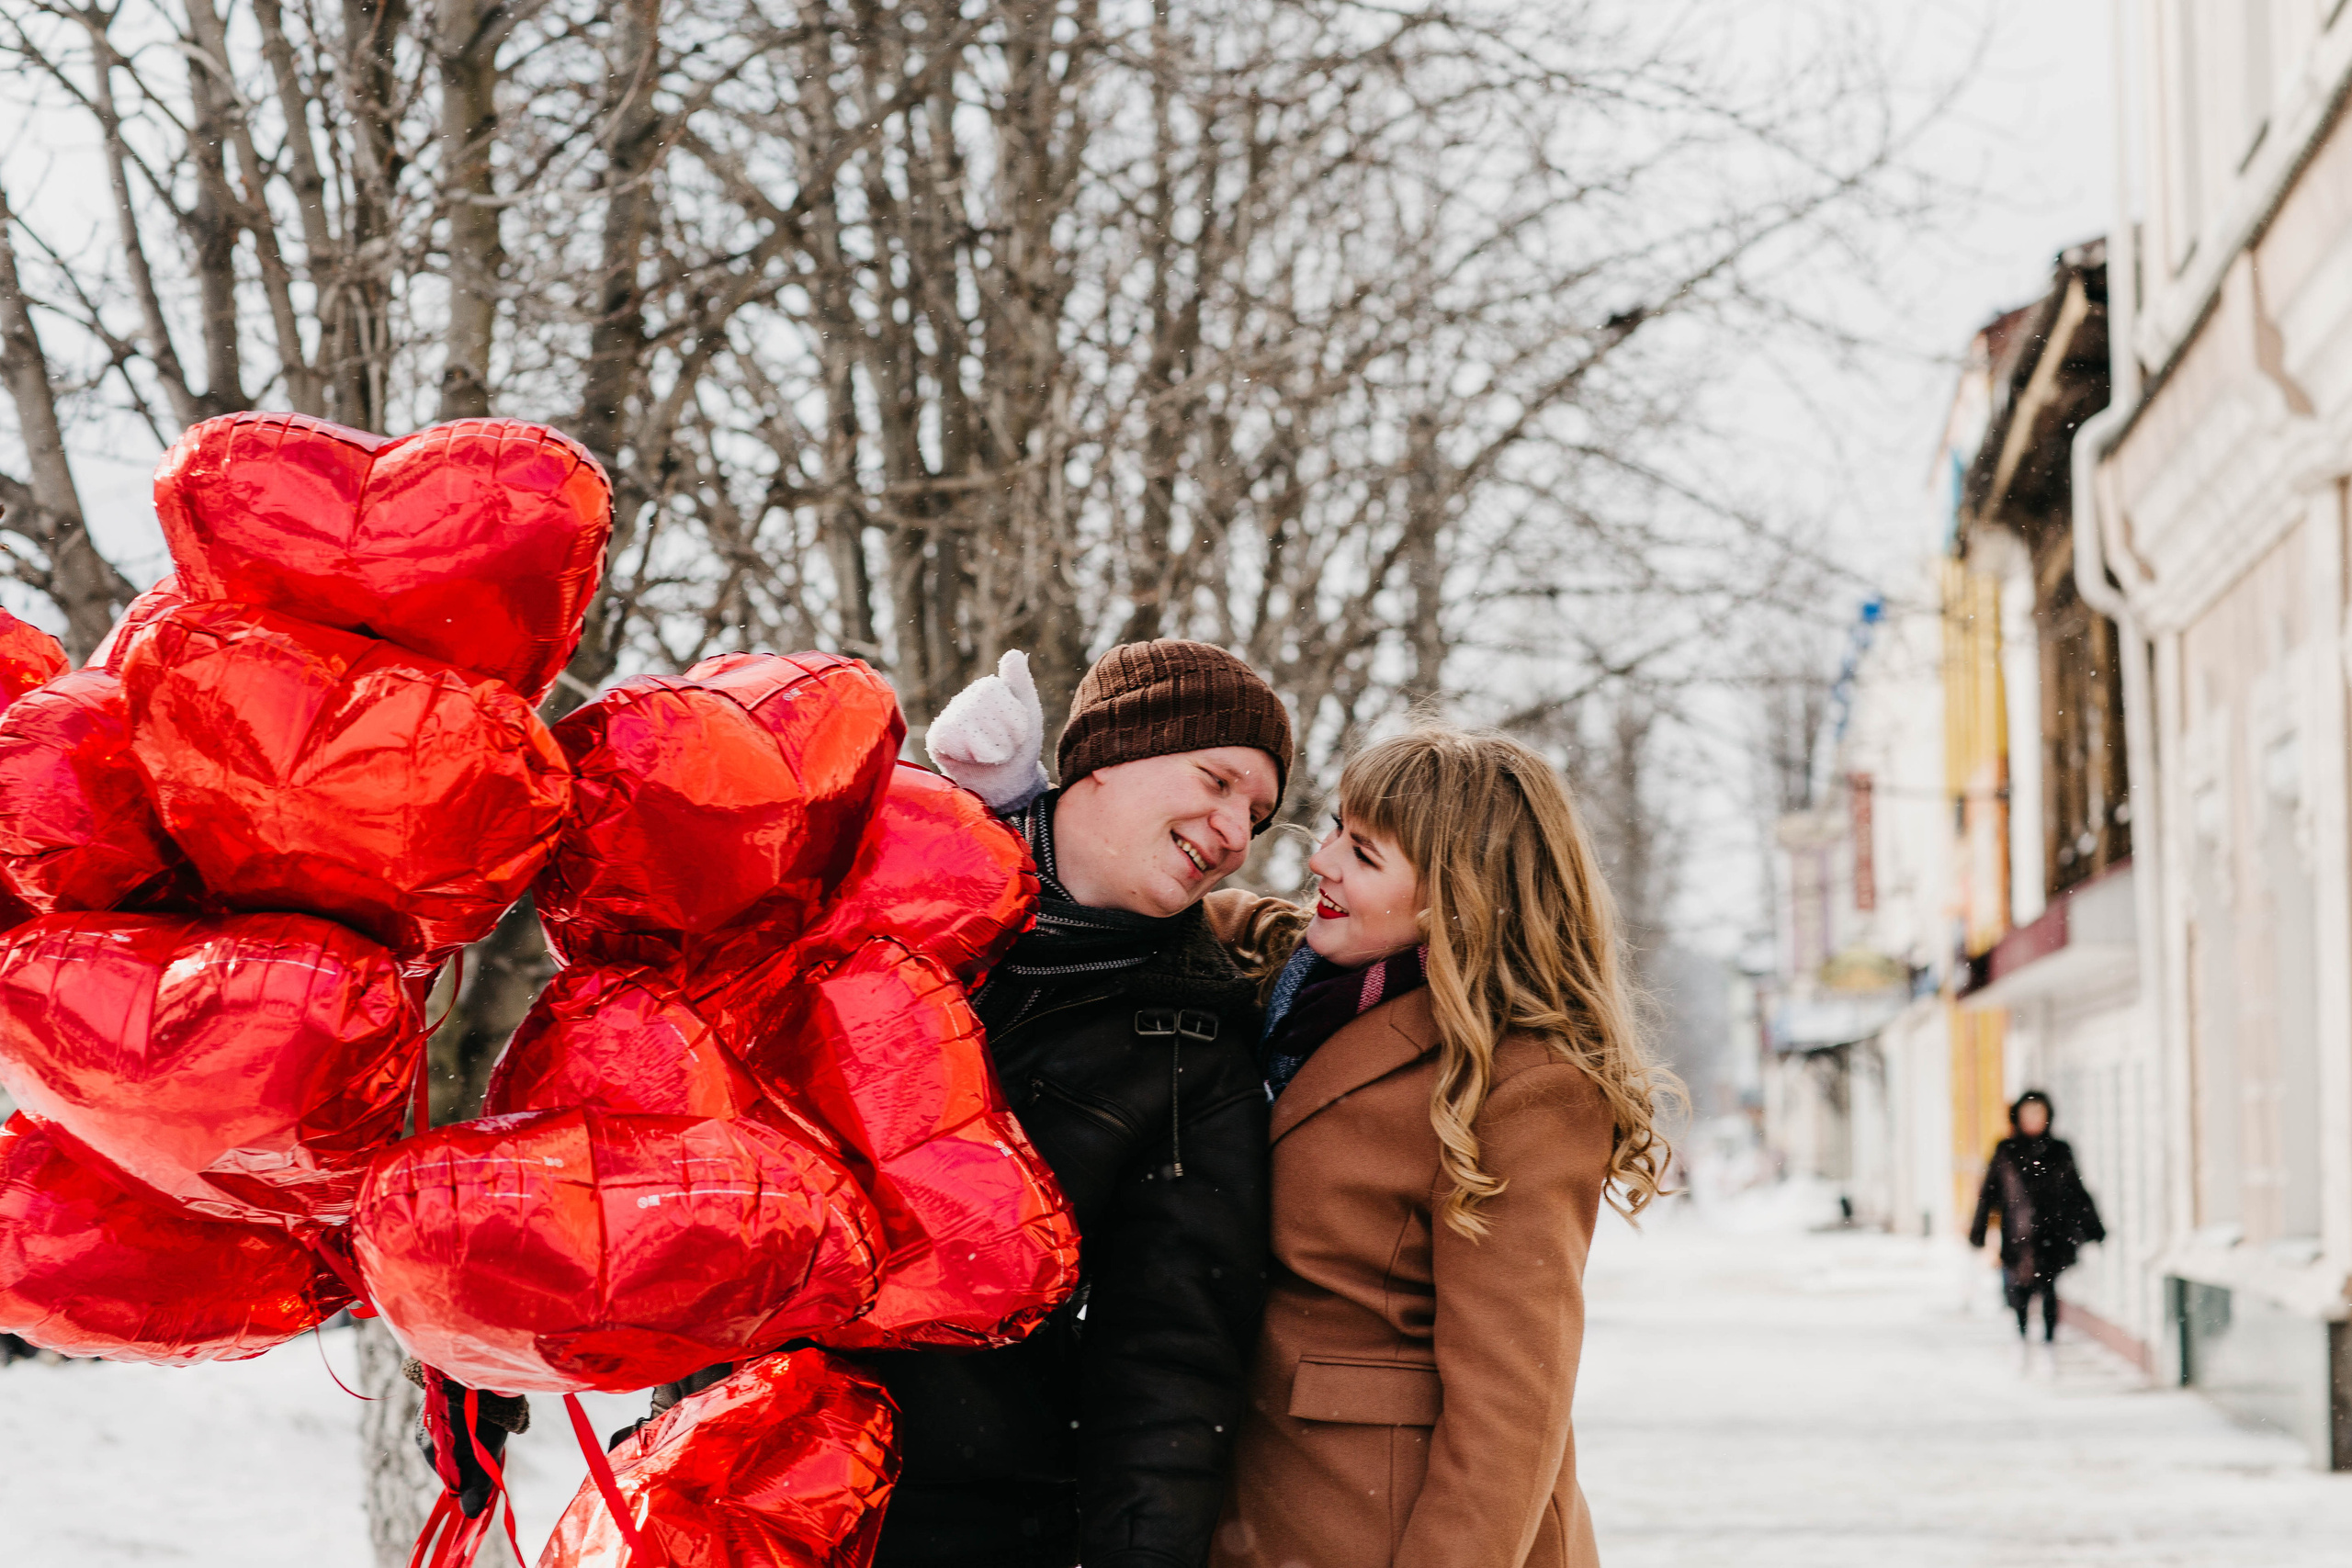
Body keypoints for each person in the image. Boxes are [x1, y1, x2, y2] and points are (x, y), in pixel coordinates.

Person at [1197, 727, 1675, 1568]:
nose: (1323, 863)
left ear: (1453, 899)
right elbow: (1137, 895)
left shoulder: (1528, 1082)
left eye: (1365, 853)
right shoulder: (1300, 981)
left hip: (1393, 1521)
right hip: (1272, 1498)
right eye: (1336, 828)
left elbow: (1512, 1401)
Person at [867, 638, 1286, 1568]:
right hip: (726, 1478)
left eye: (1256, 813)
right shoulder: (883, 899)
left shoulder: (1192, 1050)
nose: (1232, 831)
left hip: (960, 1524)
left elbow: (1169, 1367)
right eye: (1217, 780)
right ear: (1107, 755)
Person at [1969, 1090, 2104, 1364]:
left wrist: (2093, 1228)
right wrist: (1979, 1231)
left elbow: (2076, 1192)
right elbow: (1989, 1194)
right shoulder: (2006, 1151)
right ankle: (2021, 1339)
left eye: (2039, 1113)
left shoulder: (2059, 1150)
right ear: (2018, 1117)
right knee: (2019, 1290)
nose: (2034, 1119)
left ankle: (2048, 1346)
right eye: (2028, 1113)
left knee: (2049, 1289)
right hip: (2018, 1235)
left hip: (2053, 1234)